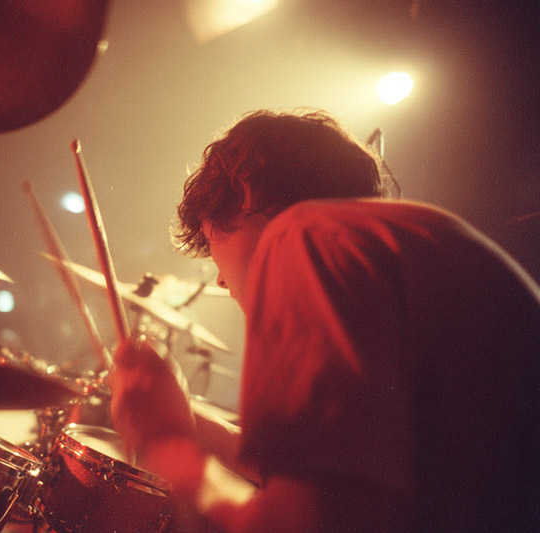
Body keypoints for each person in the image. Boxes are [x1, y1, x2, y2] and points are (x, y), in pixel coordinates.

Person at [109, 109, 540, 531]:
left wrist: (169, 444)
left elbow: (307, 525)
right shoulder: (403, 240)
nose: (219, 279)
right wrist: (199, 427)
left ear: (244, 191)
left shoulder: (305, 235)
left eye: (210, 239)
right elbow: (360, 471)